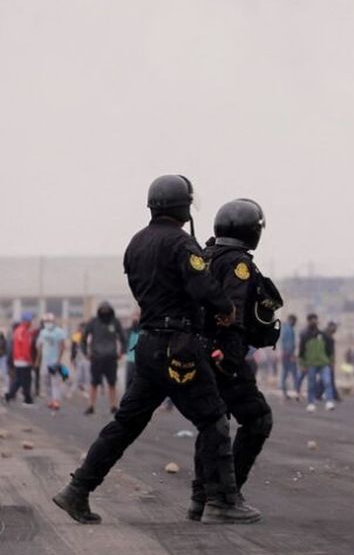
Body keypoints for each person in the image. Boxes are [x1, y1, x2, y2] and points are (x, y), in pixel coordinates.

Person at [53, 174, 258, 524]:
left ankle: (77, 491)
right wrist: (226, 308)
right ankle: (222, 501)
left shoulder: (136, 243)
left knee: (125, 424)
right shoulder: (182, 244)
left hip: (146, 345)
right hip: (179, 345)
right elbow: (202, 288)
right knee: (213, 419)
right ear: (184, 206)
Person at [202, 198, 283, 519]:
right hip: (224, 352)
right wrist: (231, 358)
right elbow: (233, 313)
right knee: (257, 418)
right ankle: (224, 497)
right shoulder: (238, 264)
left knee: (212, 422)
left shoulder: (204, 256)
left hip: (198, 348)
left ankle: (203, 498)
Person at [82, 302, 127, 415]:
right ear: (99, 311)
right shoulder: (93, 321)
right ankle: (91, 406)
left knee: (112, 383)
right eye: (103, 310)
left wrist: (122, 351)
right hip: (96, 357)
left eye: (107, 310)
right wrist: (85, 353)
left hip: (111, 358)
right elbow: (83, 338)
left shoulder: (115, 322)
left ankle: (113, 406)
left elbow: (123, 338)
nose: (105, 313)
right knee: (94, 383)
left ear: (111, 311)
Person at [299, 313, 334, 411]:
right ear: (308, 321)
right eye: (312, 319)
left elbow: (329, 347)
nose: (314, 321)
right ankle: (311, 403)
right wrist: (302, 364)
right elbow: (301, 351)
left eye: (315, 319)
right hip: (311, 364)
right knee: (311, 384)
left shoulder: (322, 335)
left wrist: (330, 360)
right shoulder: (304, 335)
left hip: (323, 363)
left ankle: (329, 401)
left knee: (327, 382)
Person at [36, 314, 69, 411]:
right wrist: (38, 359)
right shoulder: (43, 332)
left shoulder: (59, 332)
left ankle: (56, 401)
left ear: (53, 321)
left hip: (54, 362)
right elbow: (40, 346)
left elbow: (62, 346)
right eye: (46, 321)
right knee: (46, 382)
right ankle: (50, 399)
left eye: (49, 321)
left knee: (55, 382)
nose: (47, 323)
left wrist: (59, 360)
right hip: (45, 362)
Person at [4, 312, 36, 406]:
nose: (31, 323)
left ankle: (11, 396)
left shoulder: (17, 331)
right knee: (25, 380)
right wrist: (30, 360)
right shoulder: (24, 332)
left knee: (19, 380)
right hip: (24, 360)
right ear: (26, 321)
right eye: (30, 321)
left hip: (18, 359)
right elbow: (26, 348)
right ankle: (26, 399)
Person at [278, 314, 299, 400]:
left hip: (285, 355)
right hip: (288, 355)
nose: (295, 323)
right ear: (291, 320)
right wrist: (291, 355)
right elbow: (288, 344)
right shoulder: (288, 329)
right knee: (293, 374)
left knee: (285, 374)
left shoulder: (284, 328)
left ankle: (286, 392)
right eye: (294, 321)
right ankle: (296, 392)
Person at [122, 311, 141, 392]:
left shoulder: (143, 331)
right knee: (128, 382)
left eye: (137, 317)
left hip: (140, 361)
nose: (135, 319)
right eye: (133, 317)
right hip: (130, 360)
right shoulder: (127, 331)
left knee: (139, 383)